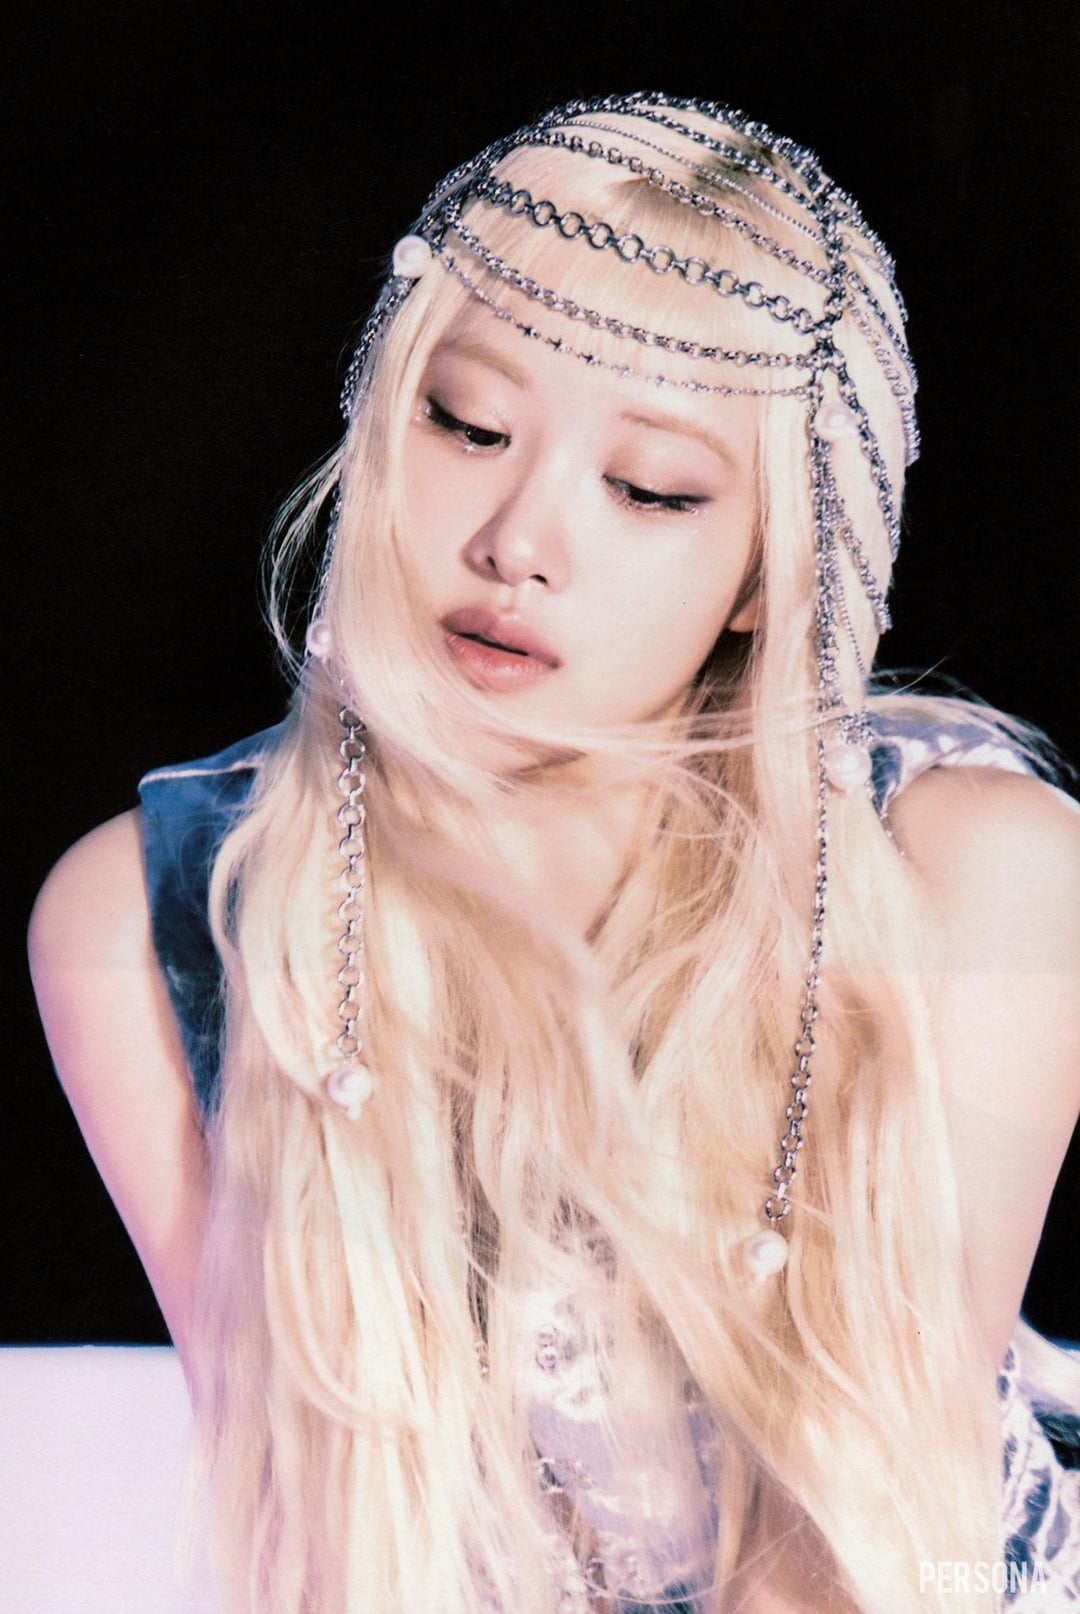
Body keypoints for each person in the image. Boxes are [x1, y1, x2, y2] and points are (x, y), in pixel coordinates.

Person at [28, 93, 1080, 1614]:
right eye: (467, 423)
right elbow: (322, 1546)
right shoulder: (151, 919)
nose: (517, 541)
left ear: (767, 569)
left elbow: (878, 1536)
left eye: (650, 488)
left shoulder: (977, 873)